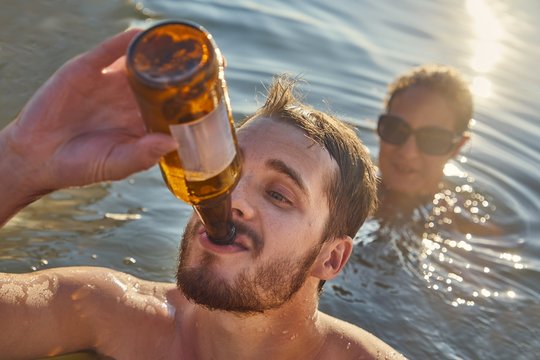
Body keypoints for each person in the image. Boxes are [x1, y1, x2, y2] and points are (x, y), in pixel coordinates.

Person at [0, 30, 405, 359]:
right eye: (227, 170)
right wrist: (19, 163)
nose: (233, 198)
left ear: (331, 257)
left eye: (279, 195)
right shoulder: (107, 313)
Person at [374, 64, 501, 236]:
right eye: (395, 129)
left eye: (432, 139)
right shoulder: (338, 188)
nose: (407, 152)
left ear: (457, 147)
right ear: (379, 127)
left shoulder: (472, 232)